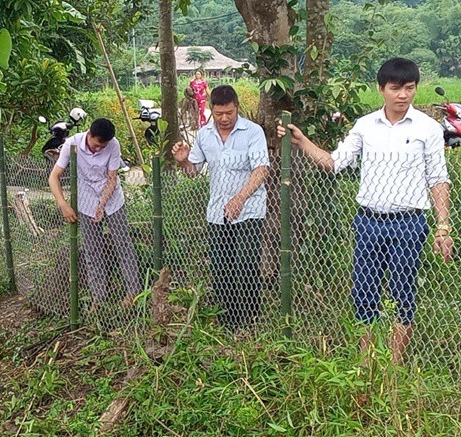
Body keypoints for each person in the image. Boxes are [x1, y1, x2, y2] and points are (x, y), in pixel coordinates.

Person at [278, 57, 453, 364]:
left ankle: (393, 368)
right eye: (395, 88)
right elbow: (334, 162)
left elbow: (438, 178)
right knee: (364, 295)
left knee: (403, 294)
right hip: (368, 223)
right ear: (381, 89)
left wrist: (442, 227)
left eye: (409, 88)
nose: (403, 95)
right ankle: (366, 364)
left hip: (409, 224)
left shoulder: (428, 128)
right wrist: (302, 142)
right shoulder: (365, 126)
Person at [172, 85, 270, 330]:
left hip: (249, 211)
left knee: (245, 266)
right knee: (221, 268)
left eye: (229, 112)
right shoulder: (204, 135)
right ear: (211, 111)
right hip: (217, 213)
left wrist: (240, 198)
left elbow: (261, 170)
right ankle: (227, 320)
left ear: (236, 108)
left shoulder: (253, 132)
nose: (224, 118)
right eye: (219, 114)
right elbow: (193, 172)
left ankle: (249, 321)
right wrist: (184, 161)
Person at [49, 117, 141, 310]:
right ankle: (99, 299)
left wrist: (102, 205)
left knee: (124, 245)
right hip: (85, 202)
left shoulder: (113, 145)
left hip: (113, 200)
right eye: (97, 144)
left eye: (103, 146)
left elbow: (112, 177)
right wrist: (63, 204)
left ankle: (133, 293)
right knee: (93, 251)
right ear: (89, 135)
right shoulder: (71, 144)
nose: (100, 149)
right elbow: (54, 176)